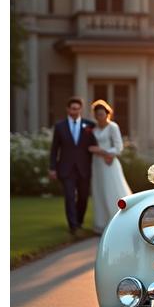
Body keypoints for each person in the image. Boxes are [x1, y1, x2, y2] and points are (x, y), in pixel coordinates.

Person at [49, 97, 97, 235]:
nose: (75, 111)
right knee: (69, 196)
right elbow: (54, 149)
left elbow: (94, 145)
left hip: (84, 168)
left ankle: (79, 222)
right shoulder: (60, 126)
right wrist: (52, 168)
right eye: (72, 108)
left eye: (77, 108)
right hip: (66, 168)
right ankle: (73, 226)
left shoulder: (89, 125)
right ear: (68, 109)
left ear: (81, 109)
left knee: (83, 197)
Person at [88, 99, 132, 233]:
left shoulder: (113, 127)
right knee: (99, 191)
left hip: (109, 163)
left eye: (102, 114)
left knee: (112, 190)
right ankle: (101, 225)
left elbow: (119, 147)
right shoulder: (93, 129)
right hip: (97, 164)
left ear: (107, 114)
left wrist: (102, 152)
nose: (99, 117)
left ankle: (118, 223)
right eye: (97, 114)